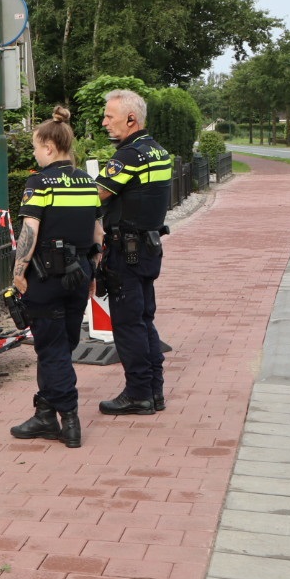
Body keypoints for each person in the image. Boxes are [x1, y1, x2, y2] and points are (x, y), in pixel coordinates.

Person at [9, 105, 102, 449]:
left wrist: (19, 272)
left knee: (52, 350)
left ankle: (70, 419)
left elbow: (29, 230)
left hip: (46, 278)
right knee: (64, 345)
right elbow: (97, 231)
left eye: (35, 147)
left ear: (49, 147)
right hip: (79, 275)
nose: (35, 153)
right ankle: (44, 415)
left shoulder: (40, 182)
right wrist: (94, 269)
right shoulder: (86, 181)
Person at [95, 88, 174, 416]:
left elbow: (95, 194)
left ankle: (138, 392)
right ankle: (154, 390)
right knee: (144, 319)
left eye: (110, 117)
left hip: (126, 252)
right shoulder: (159, 152)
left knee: (128, 324)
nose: (104, 123)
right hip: (148, 249)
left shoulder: (128, 156)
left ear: (131, 119)